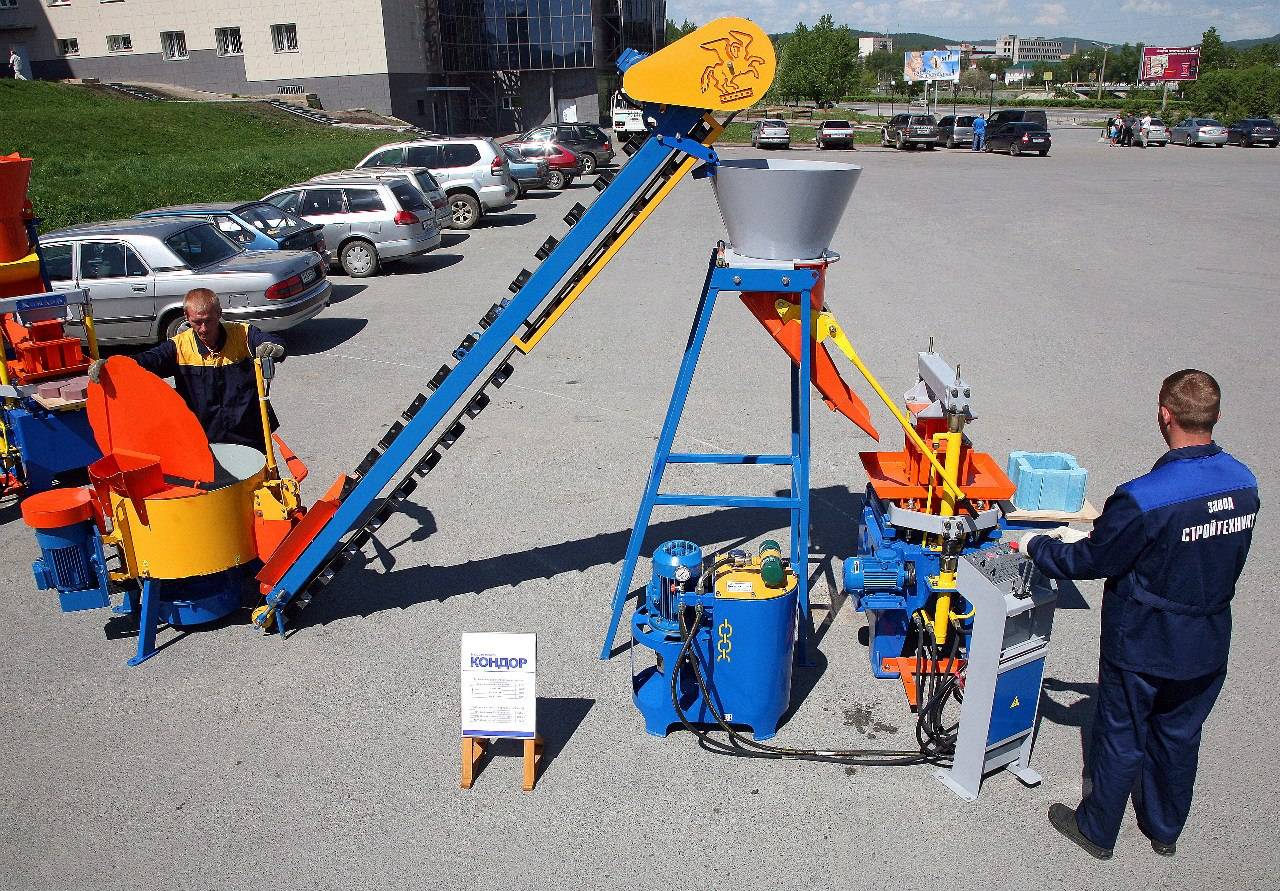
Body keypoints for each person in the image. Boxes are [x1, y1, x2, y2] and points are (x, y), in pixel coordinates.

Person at [1021, 370, 1258, 861]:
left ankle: (1097, 830)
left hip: (1144, 641)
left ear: (1165, 414)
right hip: (1208, 640)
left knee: (1122, 733)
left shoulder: (1145, 497)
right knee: (1179, 735)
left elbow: (1091, 561)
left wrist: (1035, 545)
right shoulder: (1244, 482)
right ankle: (1164, 828)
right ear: (1215, 416)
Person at [89, 288, 286, 450]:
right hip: (204, 439)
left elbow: (271, 341)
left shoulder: (243, 334)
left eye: (209, 320)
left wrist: (273, 348)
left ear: (219, 314)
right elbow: (146, 361)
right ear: (186, 317)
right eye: (197, 322)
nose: (203, 329)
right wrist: (112, 366)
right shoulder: (179, 346)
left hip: (250, 435)